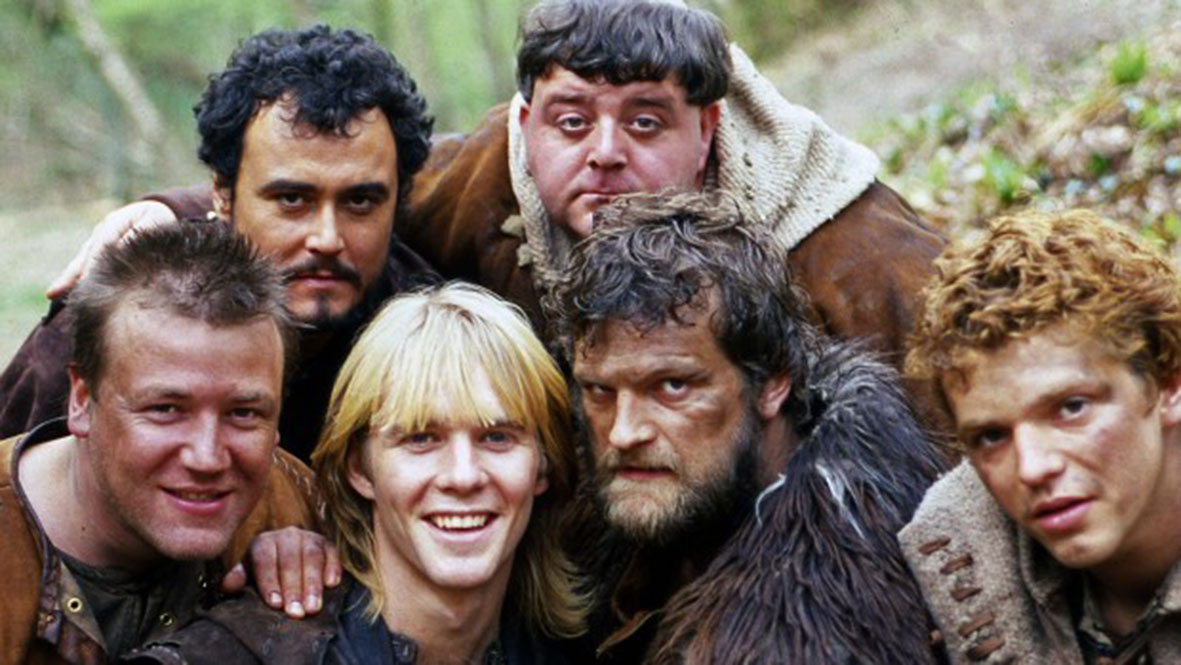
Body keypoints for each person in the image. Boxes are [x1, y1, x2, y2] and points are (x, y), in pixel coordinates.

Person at [39, 0, 948, 431]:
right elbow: (330, 183)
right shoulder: (484, 178)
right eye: (570, 121)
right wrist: (166, 218)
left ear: (708, 127)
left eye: (644, 122)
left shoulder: (857, 258)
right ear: (524, 122)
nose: (602, 153)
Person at [0, 26, 438, 459]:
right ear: (223, 195)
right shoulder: (118, 327)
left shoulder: (431, 338)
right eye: (291, 199)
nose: (327, 239)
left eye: (360, 201)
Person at [547, 192, 947, 663]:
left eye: (672, 386)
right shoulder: (598, 509)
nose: (623, 433)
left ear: (773, 383)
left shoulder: (828, 621)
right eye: (599, 390)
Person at [126, 283, 586, 664]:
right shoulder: (235, 653)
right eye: (421, 439)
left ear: (543, 463)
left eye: (498, 438)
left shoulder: (581, 647)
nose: (463, 477)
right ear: (359, 468)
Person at [0, 223, 321, 665]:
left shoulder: (295, 507)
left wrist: (319, 582)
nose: (207, 458)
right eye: (166, 409)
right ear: (82, 399)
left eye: (244, 413)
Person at [901, 209, 1181, 663]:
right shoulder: (958, 544)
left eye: (1072, 408)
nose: (1032, 468)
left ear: (1168, 385)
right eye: (992, 436)